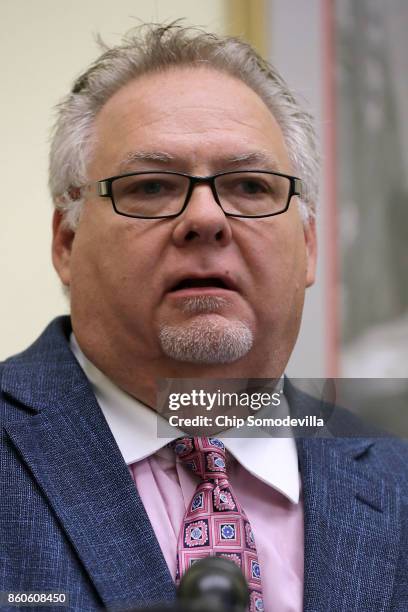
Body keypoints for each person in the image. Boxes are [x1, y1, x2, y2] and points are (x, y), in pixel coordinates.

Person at [0, 23, 407, 612]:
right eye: (151, 187)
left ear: (310, 245)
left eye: (249, 185)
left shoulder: (397, 481)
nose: (206, 218)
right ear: (67, 241)